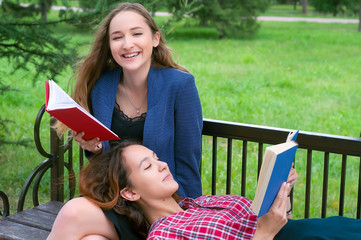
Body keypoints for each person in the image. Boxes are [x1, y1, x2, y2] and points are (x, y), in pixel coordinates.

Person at [55, 2, 203, 199]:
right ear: (109, 45)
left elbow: (188, 162)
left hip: (161, 205)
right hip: (115, 197)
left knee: (74, 215)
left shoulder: (179, 85)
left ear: (155, 38)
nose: (127, 44)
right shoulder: (102, 85)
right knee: (78, 218)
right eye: (117, 37)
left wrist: (186, 214)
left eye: (137, 34)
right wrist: (95, 148)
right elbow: (105, 161)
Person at [48, 140, 313, 240]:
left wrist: (282, 192)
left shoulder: (200, 202)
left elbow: (273, 219)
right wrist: (264, 234)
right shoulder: (165, 234)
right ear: (130, 193)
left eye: (156, 157)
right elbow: (263, 229)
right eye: (148, 166)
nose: (162, 165)